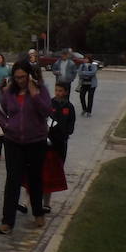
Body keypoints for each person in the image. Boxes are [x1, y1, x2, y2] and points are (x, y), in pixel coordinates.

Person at [0, 60, 53, 235]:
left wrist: (34, 93)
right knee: (12, 180)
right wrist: (7, 126)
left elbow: (46, 111)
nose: (19, 80)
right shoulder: (9, 93)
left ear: (29, 75)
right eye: (16, 77)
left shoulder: (41, 90)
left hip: (36, 141)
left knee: (35, 179)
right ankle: (7, 221)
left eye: (22, 77)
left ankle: (38, 212)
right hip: (13, 141)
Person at [44, 82, 77, 215]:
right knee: (43, 171)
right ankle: (30, 201)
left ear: (66, 92)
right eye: (56, 90)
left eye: (60, 91)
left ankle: (47, 202)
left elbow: (71, 123)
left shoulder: (69, 107)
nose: (57, 93)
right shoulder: (49, 104)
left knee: (54, 172)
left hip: (60, 144)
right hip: (47, 143)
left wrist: (65, 133)